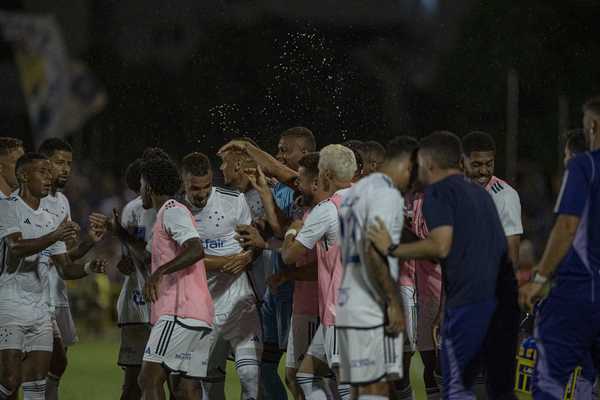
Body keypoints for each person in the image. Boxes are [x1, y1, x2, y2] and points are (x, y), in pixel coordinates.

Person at [368, 132, 514, 399]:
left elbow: (441, 246)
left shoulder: (439, 194)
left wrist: (392, 247)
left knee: (457, 385)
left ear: (429, 164)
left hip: (467, 302)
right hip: (495, 299)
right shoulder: (480, 194)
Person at [219, 127, 317, 399]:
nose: (279, 155)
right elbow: (278, 227)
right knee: (267, 368)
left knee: (303, 376)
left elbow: (291, 238)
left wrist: (247, 147)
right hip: (274, 291)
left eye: (286, 150)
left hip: (299, 293)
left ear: (305, 153)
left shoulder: (310, 194)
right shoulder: (283, 191)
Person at [0, 153, 105, 400]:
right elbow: (16, 248)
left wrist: (89, 262)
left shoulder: (50, 219)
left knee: (37, 385)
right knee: (9, 381)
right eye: (43, 172)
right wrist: (55, 235)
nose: (49, 178)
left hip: (40, 312)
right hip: (10, 308)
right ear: (24, 175)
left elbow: (65, 268)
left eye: (50, 173)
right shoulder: (7, 207)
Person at [519, 97, 600, 399]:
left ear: (592, 125)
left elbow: (566, 227)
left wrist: (539, 279)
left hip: (580, 292)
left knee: (549, 380)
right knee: (586, 377)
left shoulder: (583, 167)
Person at [335, 136, 416, 400]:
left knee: (361, 387)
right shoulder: (386, 193)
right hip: (372, 303)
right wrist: (392, 302)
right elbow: (373, 248)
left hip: (350, 298)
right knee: (377, 386)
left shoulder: (355, 192)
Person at [179, 152, 260, 400]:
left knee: (250, 376)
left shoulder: (234, 200)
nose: (202, 194)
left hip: (239, 299)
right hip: (201, 307)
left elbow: (252, 243)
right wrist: (226, 262)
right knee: (210, 385)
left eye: (206, 186)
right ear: (183, 182)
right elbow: (182, 261)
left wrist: (248, 256)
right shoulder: (176, 210)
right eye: (195, 188)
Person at [280, 144, 356, 400]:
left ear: (326, 176)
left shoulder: (327, 210)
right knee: (306, 375)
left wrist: (293, 229)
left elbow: (289, 256)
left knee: (345, 382)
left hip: (340, 312)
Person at [136, 157, 214, 400]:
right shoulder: (168, 214)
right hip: (198, 314)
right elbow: (148, 254)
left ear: (148, 186)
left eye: (140, 186)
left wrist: (159, 273)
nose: (140, 193)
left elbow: (195, 249)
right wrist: (117, 232)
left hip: (179, 311)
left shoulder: (172, 210)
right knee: (185, 389)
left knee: (148, 378)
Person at [38, 138, 104, 400]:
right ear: (44, 163)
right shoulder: (31, 199)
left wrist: (89, 241)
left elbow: (63, 257)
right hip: (34, 295)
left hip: (58, 291)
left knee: (56, 364)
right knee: (49, 361)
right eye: (59, 162)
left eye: (69, 164)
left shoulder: (62, 201)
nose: (65, 169)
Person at [260, 153, 321, 400]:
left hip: (318, 304)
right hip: (300, 302)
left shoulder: (326, 211)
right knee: (295, 377)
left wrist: (290, 234)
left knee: (308, 378)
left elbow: (289, 253)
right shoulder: (309, 209)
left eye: (302, 180)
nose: (298, 186)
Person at [462, 131, 523, 267]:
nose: (484, 171)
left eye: (489, 164)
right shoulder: (451, 191)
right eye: (476, 165)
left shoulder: (505, 196)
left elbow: (511, 255)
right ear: (462, 162)